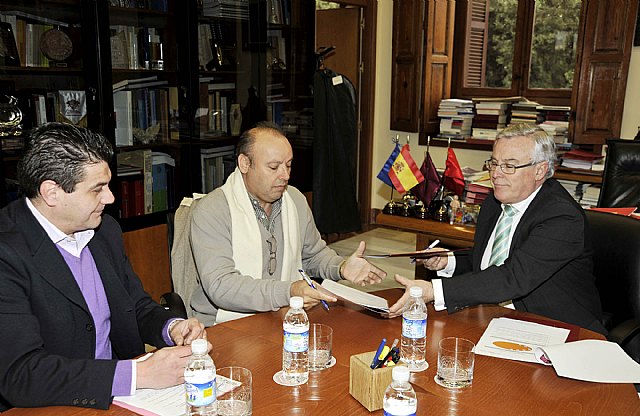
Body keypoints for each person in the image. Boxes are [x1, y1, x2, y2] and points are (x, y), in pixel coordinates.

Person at [0, 123, 207, 411]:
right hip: (50, 406)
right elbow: (21, 374)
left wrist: (171, 328)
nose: (110, 198)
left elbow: (134, 305)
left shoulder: (103, 229)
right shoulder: (6, 251)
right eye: (97, 189)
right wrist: (139, 374)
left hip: (122, 400)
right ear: (52, 193)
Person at [387, 123, 605, 334]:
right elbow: (491, 261)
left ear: (540, 170)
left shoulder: (562, 217)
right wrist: (447, 261)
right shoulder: (495, 201)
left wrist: (434, 291)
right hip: (497, 318)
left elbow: (512, 276)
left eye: (509, 166)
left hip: (559, 328)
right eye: (493, 163)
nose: (496, 174)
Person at [189, 122, 387, 325]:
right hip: (223, 324)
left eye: (288, 165)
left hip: (283, 316)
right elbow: (221, 286)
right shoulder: (212, 210)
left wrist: (341, 267)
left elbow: (313, 255)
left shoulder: (294, 200)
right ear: (244, 164)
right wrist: (289, 292)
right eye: (274, 167)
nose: (285, 175)